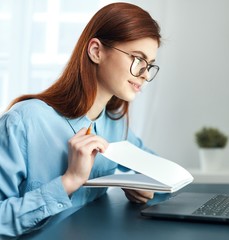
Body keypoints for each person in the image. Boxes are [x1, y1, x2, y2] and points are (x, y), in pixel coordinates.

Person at [0, 2, 161, 237]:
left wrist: (146, 188)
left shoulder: (115, 125)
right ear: (96, 51)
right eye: (138, 59)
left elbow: (155, 168)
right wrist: (69, 181)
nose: (145, 75)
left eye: (149, 65)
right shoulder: (23, 122)